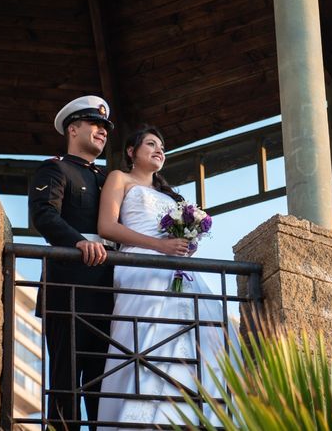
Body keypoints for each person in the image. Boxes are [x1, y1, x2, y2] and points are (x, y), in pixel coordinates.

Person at [96, 126, 230, 428]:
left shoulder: (172, 196)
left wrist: (186, 244)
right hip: (139, 263)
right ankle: (140, 415)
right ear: (132, 151)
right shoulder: (120, 179)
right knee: (147, 336)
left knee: (204, 328)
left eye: (162, 147)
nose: (159, 150)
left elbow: (180, 239)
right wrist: (160, 245)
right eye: (151, 144)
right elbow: (107, 226)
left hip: (178, 267)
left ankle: (195, 411)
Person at [28, 95, 115, 430]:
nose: (102, 131)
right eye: (95, 124)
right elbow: (43, 214)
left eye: (105, 126)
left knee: (104, 379)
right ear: (73, 128)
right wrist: (76, 241)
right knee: (66, 377)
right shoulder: (55, 168)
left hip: (108, 287)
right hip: (68, 285)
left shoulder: (108, 179)